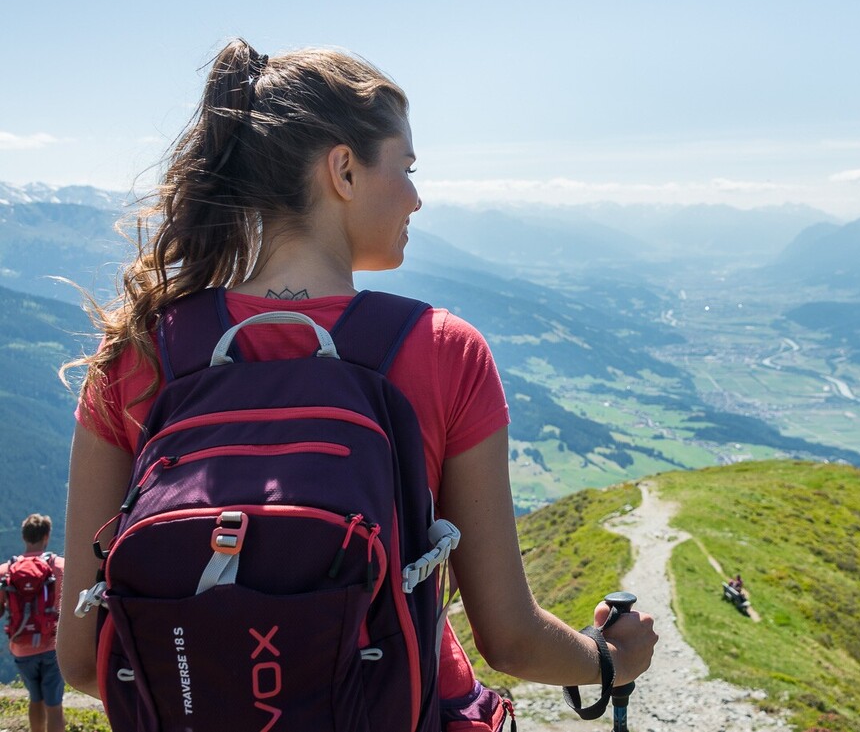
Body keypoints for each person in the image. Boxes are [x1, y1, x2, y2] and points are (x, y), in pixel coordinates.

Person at [59, 39, 656, 710]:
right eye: (405, 166)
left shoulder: (138, 348)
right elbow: (510, 640)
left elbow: (84, 657)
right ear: (343, 170)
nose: (417, 198)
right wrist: (612, 659)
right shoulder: (443, 350)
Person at [1, 514, 66, 732]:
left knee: (34, 698)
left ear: (24, 537)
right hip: (52, 646)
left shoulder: (6, 571)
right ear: (47, 536)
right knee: (54, 705)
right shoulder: (59, 567)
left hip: (21, 647)